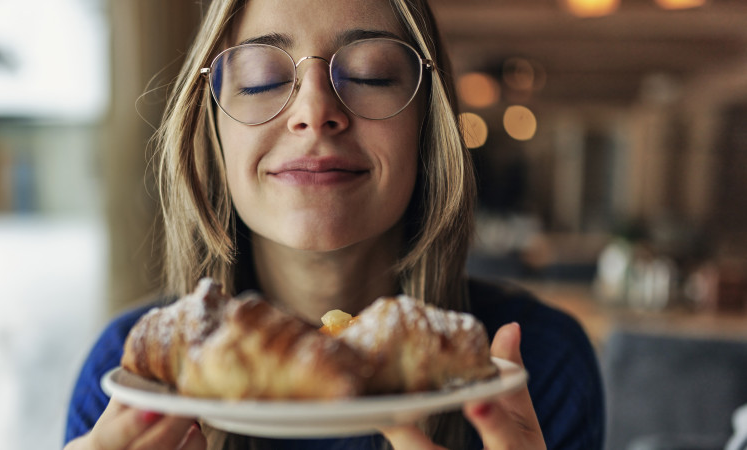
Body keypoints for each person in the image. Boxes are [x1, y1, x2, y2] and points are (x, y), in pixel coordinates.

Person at [63, 0, 605, 448]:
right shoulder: (130, 376)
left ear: (427, 124)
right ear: (212, 132)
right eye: (259, 79)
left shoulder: (538, 364)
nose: (314, 109)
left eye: (371, 74)